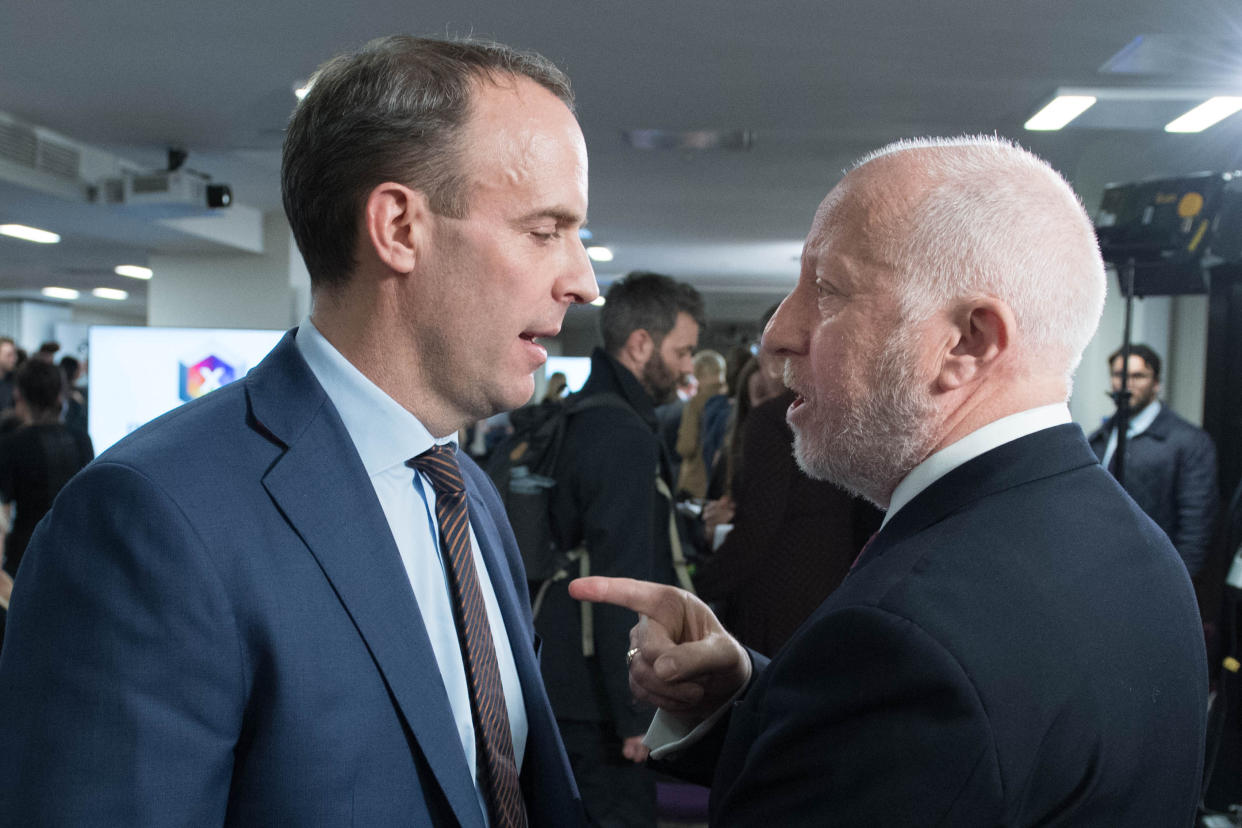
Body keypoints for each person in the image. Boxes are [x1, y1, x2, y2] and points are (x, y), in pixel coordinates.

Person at [0, 35, 597, 826]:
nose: (583, 280)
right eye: (544, 230)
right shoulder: (150, 519)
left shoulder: (464, 493)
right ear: (397, 227)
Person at [572, 136, 1208, 825]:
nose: (778, 334)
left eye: (827, 290)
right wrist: (751, 694)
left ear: (967, 342)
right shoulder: (1137, 549)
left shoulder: (910, 636)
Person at [538, 270, 703, 826]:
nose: (687, 368)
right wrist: (636, 711)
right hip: (597, 697)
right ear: (640, 344)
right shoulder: (624, 434)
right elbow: (623, 580)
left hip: (561, 668)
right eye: (682, 352)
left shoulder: (583, 414)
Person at [1088, 343, 1219, 576]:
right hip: (1103, 566)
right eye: (1119, 375)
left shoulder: (1188, 441)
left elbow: (1196, 523)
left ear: (1156, 383)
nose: (1126, 384)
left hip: (1154, 571)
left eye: (1138, 376)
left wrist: (1180, 580)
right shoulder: (1100, 436)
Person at [0, 359, 94, 579]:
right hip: (75, 553)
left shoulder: (12, 445)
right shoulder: (81, 440)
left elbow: (3, 513)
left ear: (19, 395)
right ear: (60, 394)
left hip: (25, 556)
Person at [676, 349, 726, 498]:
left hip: (696, 485)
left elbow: (686, 446)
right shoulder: (731, 399)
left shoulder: (696, 403)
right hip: (722, 485)